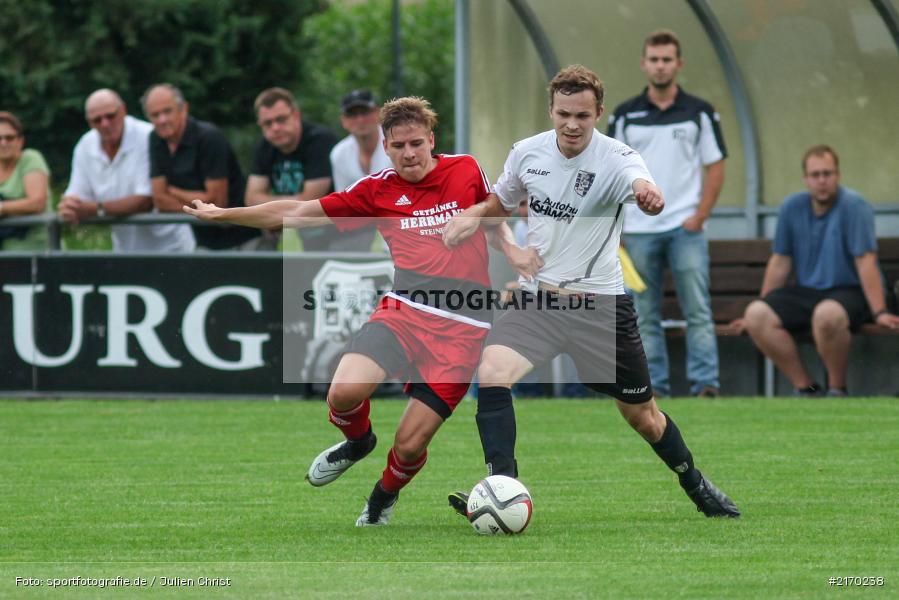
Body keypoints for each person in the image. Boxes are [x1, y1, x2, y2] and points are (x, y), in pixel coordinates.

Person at [185, 96, 508, 526]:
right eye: (398, 146)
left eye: (416, 143)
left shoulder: (465, 169)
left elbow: (497, 209)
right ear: (385, 147)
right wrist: (226, 213)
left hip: (463, 327)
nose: (409, 154)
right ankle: (358, 442)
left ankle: (382, 497)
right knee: (342, 393)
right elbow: (296, 212)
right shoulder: (376, 189)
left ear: (432, 140)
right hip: (406, 312)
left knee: (410, 445)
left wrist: (503, 240)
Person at [443, 64, 740, 518]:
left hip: (600, 309)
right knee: (493, 372)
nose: (572, 125)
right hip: (538, 300)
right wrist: (474, 216)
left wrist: (649, 195)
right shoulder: (527, 152)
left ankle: (694, 482)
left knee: (643, 417)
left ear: (598, 113)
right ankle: (503, 487)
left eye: (582, 115)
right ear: (551, 110)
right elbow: (499, 202)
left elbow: (642, 185)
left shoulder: (618, 158)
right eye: (563, 114)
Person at [608, 29, 726, 398]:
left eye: (667, 59)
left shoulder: (699, 112)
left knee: (697, 308)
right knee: (643, 313)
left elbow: (716, 165)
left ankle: (706, 384)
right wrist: (617, 228)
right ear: (644, 64)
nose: (660, 66)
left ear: (679, 64)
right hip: (638, 229)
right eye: (654, 59)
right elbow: (610, 170)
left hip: (685, 227)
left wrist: (700, 215)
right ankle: (653, 386)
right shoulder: (625, 115)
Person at [737, 145, 899, 396]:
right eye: (815, 175)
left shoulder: (855, 206)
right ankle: (808, 389)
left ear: (838, 175)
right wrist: (762, 304)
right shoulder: (791, 207)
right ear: (806, 179)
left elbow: (866, 261)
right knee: (756, 315)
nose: (822, 181)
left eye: (827, 173)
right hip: (808, 292)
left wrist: (880, 312)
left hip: (851, 291)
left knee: (827, 314)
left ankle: (837, 390)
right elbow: (780, 262)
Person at [58, 89, 195, 252]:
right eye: (97, 120)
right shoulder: (85, 145)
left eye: (110, 116)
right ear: (89, 122)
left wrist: (95, 209)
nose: (105, 124)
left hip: (171, 247)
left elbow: (146, 200)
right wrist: (69, 206)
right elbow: (77, 197)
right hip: (125, 251)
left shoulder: (148, 136)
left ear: (123, 110)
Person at [142, 83, 262, 251]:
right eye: (155, 115)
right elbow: (160, 201)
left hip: (244, 236)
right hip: (204, 240)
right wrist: (202, 200)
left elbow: (217, 202)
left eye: (167, 111)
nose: (162, 119)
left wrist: (174, 191)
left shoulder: (209, 137)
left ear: (184, 109)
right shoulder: (155, 139)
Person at [246, 87, 339, 251]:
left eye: (281, 119)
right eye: (267, 123)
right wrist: (290, 205)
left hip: (331, 232)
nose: (275, 128)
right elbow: (251, 199)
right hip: (290, 228)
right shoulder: (264, 146)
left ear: (296, 115)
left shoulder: (320, 140)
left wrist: (270, 209)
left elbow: (309, 202)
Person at [328, 89, 392, 251]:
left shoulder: (397, 144)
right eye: (352, 115)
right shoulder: (339, 154)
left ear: (378, 113)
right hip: (362, 220)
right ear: (344, 121)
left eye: (365, 112)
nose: (360, 120)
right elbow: (344, 203)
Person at [0, 111, 49, 251]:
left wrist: (2, 208)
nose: (3, 143)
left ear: (20, 140)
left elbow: (37, 203)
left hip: (36, 253)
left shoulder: (30, 158)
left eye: (9, 138)